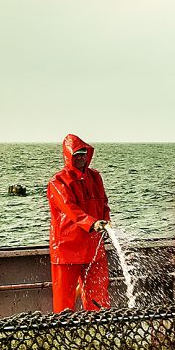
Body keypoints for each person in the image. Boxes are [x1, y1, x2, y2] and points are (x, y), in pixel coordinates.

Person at [46, 134, 111, 313]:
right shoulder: (58, 181)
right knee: (63, 299)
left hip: (93, 247)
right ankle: (63, 332)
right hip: (66, 249)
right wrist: (93, 223)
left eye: (83, 153)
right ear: (68, 156)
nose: (81, 157)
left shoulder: (95, 177)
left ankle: (98, 329)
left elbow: (104, 203)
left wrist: (106, 220)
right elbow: (70, 209)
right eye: (76, 154)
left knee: (98, 296)